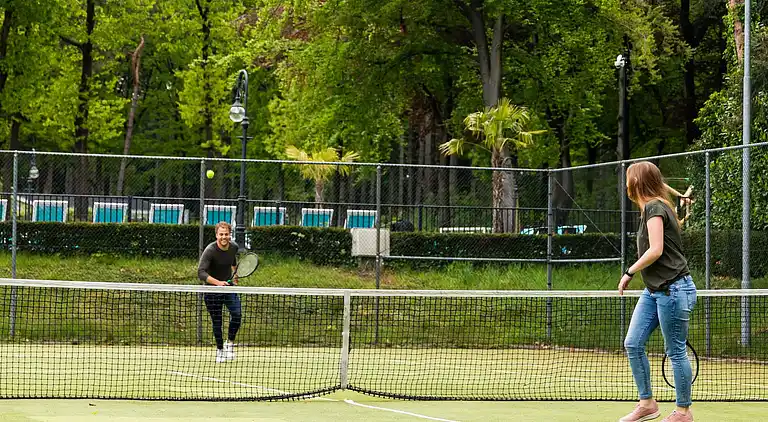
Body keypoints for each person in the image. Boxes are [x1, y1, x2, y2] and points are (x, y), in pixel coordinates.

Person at [618, 161, 697, 422]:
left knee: (675, 351)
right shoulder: (657, 206)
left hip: (673, 289)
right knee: (633, 343)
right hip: (655, 290)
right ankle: (647, 403)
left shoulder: (654, 207)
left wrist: (629, 272)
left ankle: (683, 412)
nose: (626, 183)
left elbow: (656, 250)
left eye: (630, 178)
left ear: (637, 183)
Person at [197, 221, 242, 363]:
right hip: (211, 291)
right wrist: (218, 283)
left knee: (237, 314)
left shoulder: (233, 247)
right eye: (221, 234)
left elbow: (233, 262)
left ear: (230, 235)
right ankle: (220, 350)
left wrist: (235, 275)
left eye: (226, 234)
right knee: (217, 321)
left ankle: (229, 345)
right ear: (216, 235)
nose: (224, 237)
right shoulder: (210, 250)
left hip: (228, 289)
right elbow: (201, 273)